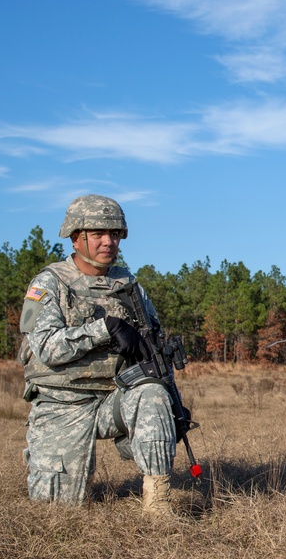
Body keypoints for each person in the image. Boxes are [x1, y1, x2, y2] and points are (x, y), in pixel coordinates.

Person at [19, 194, 177, 515]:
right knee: (56, 511)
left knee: (153, 393)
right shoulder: (47, 285)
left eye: (115, 234)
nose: (109, 242)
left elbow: (152, 338)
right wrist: (104, 329)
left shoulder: (129, 285)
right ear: (77, 238)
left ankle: (158, 504)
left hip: (114, 397)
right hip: (63, 401)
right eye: (98, 234)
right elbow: (46, 346)